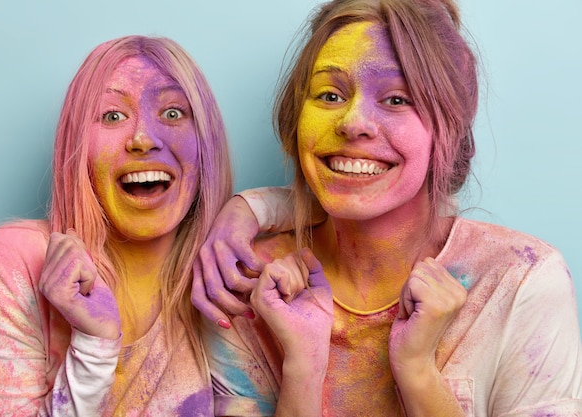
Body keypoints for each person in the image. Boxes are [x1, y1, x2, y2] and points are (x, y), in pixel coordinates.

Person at [191, 0, 582, 416]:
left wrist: (417, 373)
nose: (352, 122)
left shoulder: (519, 281)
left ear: (448, 130)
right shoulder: (245, 281)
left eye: (397, 100)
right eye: (329, 94)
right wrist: (303, 370)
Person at [0, 35, 232, 416]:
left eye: (173, 113)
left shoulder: (237, 274)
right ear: (76, 144)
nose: (143, 139)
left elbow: (322, 208)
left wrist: (251, 210)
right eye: (112, 116)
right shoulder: (12, 264)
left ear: (206, 143)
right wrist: (94, 345)